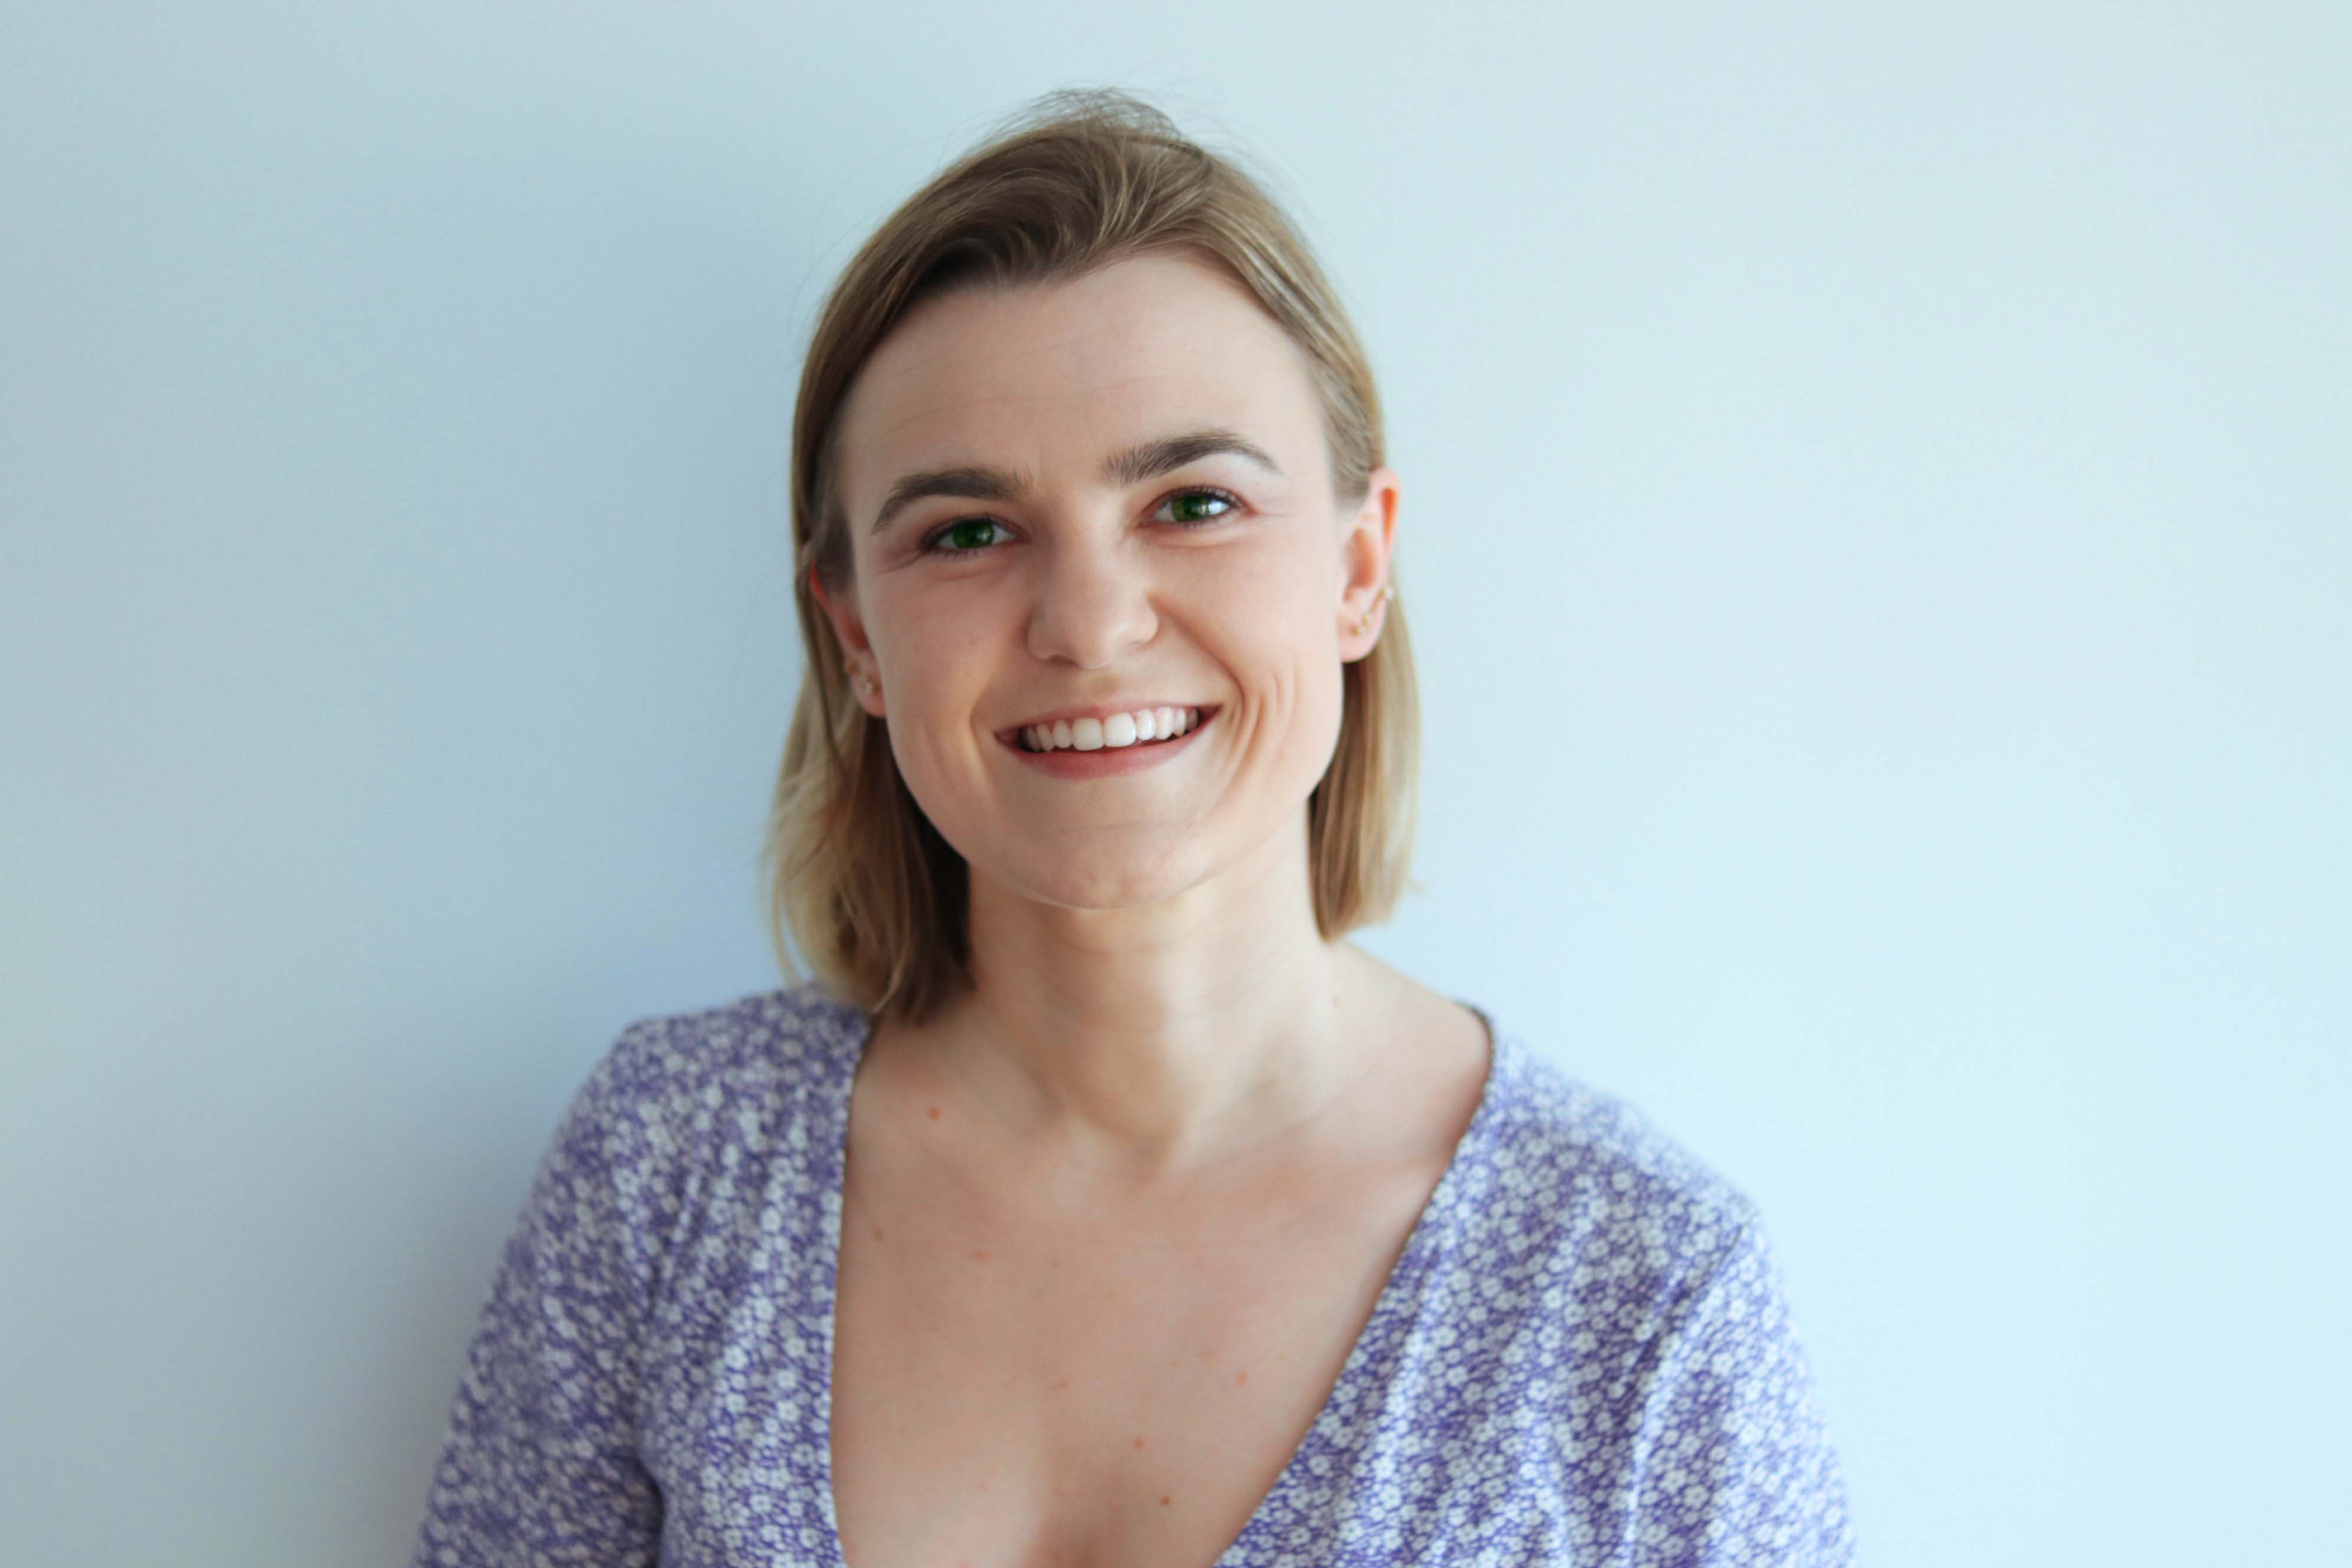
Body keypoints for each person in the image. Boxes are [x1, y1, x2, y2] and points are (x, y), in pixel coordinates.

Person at [408, 87, 1856, 1567]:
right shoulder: (668, 1167)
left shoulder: (1649, 1297)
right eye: (968, 531)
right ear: (854, 634)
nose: (1090, 624)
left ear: (1359, 569)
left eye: (1193, 503)